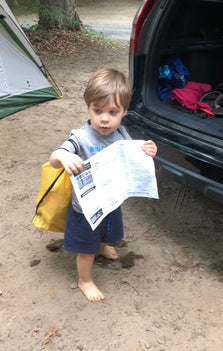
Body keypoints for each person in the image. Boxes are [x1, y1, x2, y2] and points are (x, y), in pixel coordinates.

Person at [49, 68, 157, 302]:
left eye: (112, 112)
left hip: (111, 200)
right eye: (97, 111)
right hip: (85, 208)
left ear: (124, 112)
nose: (105, 118)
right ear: (89, 108)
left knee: (110, 232)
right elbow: (54, 157)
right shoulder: (81, 137)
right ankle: (84, 280)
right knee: (85, 248)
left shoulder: (121, 134)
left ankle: (102, 245)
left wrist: (149, 151)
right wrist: (64, 157)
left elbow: (134, 155)